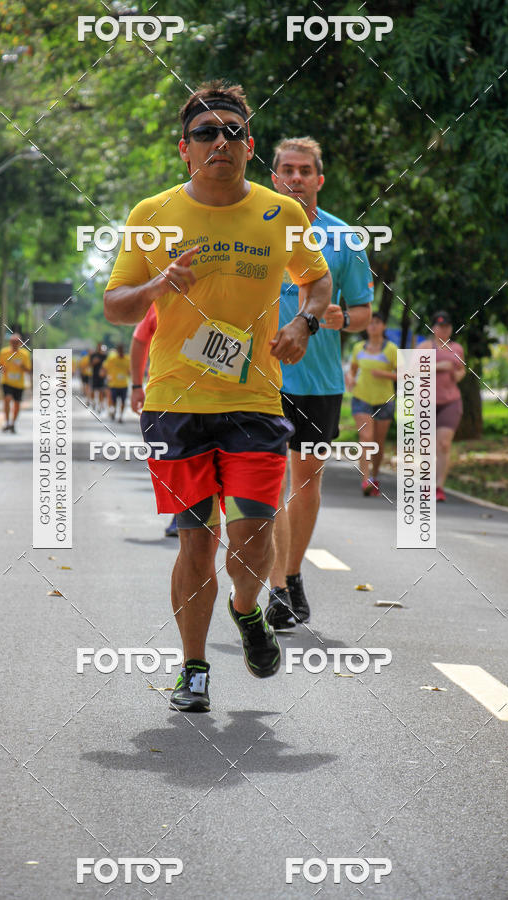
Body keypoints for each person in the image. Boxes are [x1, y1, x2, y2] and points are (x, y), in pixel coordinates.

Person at [104, 80, 332, 712]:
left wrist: (303, 323)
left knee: (255, 534)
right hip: (176, 402)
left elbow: (317, 282)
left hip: (255, 400)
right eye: (206, 133)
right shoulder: (151, 216)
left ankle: (248, 610)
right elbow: (115, 307)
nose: (219, 143)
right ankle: (194, 668)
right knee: (197, 540)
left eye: (232, 132)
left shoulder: (281, 214)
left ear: (249, 146)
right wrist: (158, 283)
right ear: (185, 148)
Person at [266, 137, 373, 630]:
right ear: (273, 177)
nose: (296, 177)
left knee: (304, 486)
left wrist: (336, 319)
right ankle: (275, 589)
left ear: (319, 179)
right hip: (259, 379)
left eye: (305, 170)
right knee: (264, 485)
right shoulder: (251, 227)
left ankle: (291, 574)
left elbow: (364, 314)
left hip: (320, 381)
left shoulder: (345, 239)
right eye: (286, 169)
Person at [129, 306, 178, 537]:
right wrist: (137, 386)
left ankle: (189, 514)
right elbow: (140, 339)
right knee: (178, 459)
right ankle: (184, 513)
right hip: (169, 398)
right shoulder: (162, 296)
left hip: (222, 398)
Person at [346, 310, 397, 496]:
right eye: (370, 323)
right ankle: (365, 480)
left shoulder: (391, 349)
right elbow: (352, 370)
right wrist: (350, 378)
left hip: (384, 400)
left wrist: (385, 374)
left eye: (377, 322)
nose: (373, 326)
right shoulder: (358, 348)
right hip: (361, 398)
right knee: (366, 437)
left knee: (378, 442)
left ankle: (375, 476)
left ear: (383, 326)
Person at [421, 310, 466, 501]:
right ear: (433, 328)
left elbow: (462, 369)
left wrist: (458, 374)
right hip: (426, 402)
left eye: (447, 326)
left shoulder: (457, 348)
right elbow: (412, 371)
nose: (443, 329)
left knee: (444, 444)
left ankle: (439, 486)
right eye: (440, 326)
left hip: (451, 401)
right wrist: (438, 367)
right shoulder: (424, 347)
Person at [0, 333, 31, 433]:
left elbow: (28, 369)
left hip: (19, 383)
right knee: (7, 399)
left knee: (17, 404)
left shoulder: (25, 354)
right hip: (7, 382)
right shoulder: (4, 352)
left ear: (20, 343)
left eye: (17, 342)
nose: (14, 344)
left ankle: (13, 423)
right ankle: (7, 422)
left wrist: (22, 366)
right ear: (10, 342)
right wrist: (3, 368)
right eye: (13, 342)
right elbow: (0, 365)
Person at [104, 344, 129, 422]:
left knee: (123, 401)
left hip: (124, 384)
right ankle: (114, 411)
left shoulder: (127, 359)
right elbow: (105, 367)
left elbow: (130, 370)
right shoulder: (112, 359)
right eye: (119, 350)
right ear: (118, 351)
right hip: (114, 384)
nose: (121, 352)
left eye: (122, 350)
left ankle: (121, 416)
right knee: (113, 400)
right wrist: (107, 376)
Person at [89, 342, 107, 412]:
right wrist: (94, 362)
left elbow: (107, 365)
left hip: (102, 376)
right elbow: (90, 364)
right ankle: (93, 402)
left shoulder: (104, 356)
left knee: (101, 391)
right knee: (93, 390)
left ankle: (100, 404)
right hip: (94, 375)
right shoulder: (93, 355)